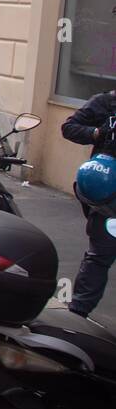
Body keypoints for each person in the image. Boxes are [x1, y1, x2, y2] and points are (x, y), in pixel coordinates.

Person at [62, 89, 116, 318]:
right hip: (109, 195)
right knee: (101, 254)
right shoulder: (107, 102)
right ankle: (77, 315)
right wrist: (98, 133)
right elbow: (70, 128)